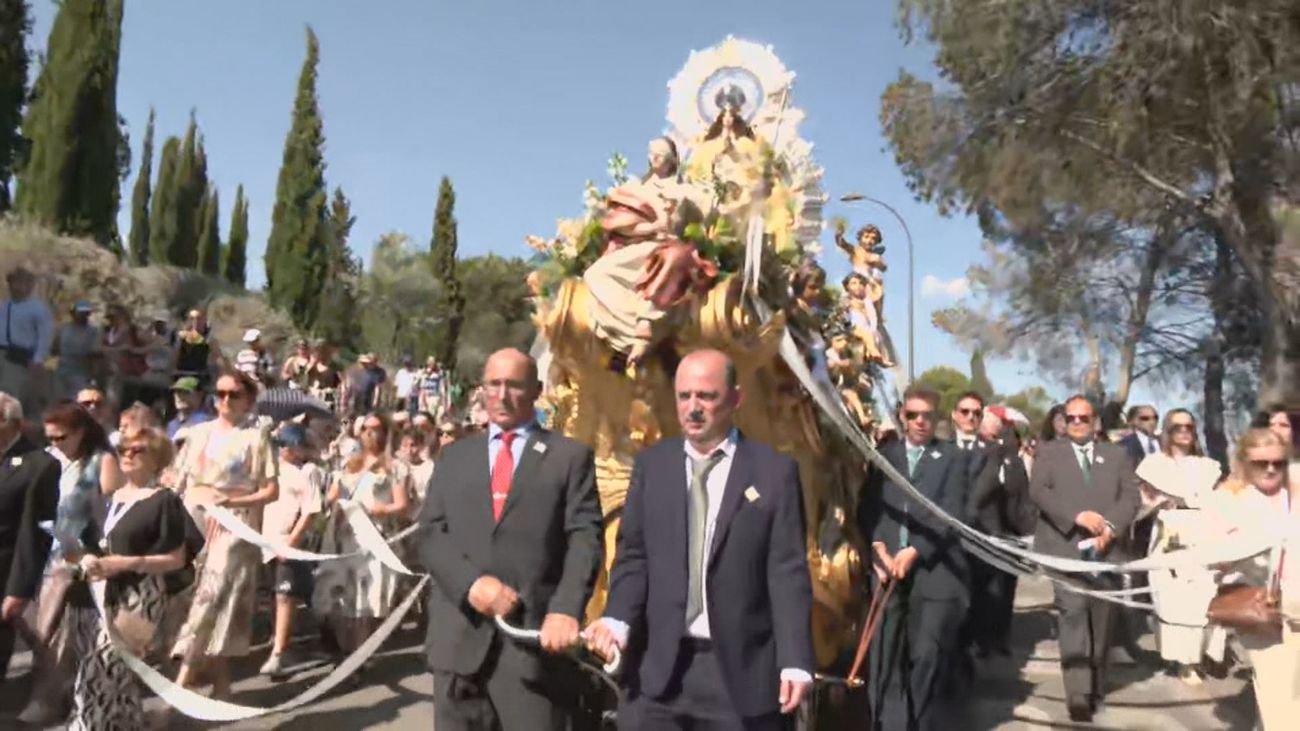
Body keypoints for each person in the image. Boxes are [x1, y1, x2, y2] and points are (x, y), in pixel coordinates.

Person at [587, 349, 815, 730]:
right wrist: (617, 619)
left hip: (740, 676)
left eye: (706, 396)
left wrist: (795, 659)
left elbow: (786, 572)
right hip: (658, 674)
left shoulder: (774, 473)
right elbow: (634, 557)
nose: (693, 408)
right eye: (684, 396)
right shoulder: (652, 466)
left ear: (736, 399)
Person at [418, 347, 603, 730]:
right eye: (494, 384)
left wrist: (565, 609)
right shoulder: (454, 458)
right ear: (482, 390)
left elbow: (584, 539)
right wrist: (471, 585)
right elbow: (432, 535)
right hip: (458, 646)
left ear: (536, 390)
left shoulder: (568, 458)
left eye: (514, 385)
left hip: (532, 647)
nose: (502, 395)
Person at [67, 426, 203, 730]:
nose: (127, 455)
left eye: (137, 450)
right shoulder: (109, 499)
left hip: (141, 597)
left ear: (156, 458)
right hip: (103, 593)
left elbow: (176, 559)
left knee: (97, 670)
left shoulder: (163, 501)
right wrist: (89, 557)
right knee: (118, 676)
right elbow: (91, 542)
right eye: (124, 450)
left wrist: (127, 563)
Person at [857, 386, 970, 731]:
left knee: (926, 655)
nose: (920, 422)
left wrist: (915, 549)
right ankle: (888, 724)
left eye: (927, 416)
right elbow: (868, 508)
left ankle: (920, 723)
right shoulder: (884, 456)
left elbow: (951, 512)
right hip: (886, 570)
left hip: (934, 572)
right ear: (902, 417)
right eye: (912, 415)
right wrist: (878, 549)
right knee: (884, 655)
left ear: (938, 418)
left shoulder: (952, 458)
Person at [1028, 395, 1140, 722]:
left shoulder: (1116, 455)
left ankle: (1097, 687)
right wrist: (1076, 516)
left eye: (1083, 418)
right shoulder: (1049, 453)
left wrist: (1109, 527)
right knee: (1073, 615)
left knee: (1102, 624)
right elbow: (1039, 492)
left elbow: (1130, 497)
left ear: (1096, 423)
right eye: (1071, 417)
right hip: (1064, 550)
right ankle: (1078, 695)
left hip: (1107, 552)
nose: (1077, 423)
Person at [170, 370, 279, 699]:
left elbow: (270, 491)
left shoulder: (256, 438)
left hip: (235, 525)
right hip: (195, 521)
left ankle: (177, 691)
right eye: (220, 393)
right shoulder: (197, 433)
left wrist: (231, 500)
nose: (226, 400)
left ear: (248, 399)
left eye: (234, 394)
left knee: (211, 598)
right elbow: (179, 479)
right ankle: (221, 684)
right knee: (200, 600)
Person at [18, 403, 123, 724]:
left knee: (61, 634)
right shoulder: (47, 460)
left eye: (62, 437)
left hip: (78, 555)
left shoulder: (100, 461)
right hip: (41, 554)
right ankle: (61, 689)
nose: (56, 443)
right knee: (36, 629)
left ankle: (51, 698)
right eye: (50, 437)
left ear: (81, 432)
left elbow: (117, 507)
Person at [1202, 428, 1298, 729]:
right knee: (1281, 700)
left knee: (1288, 698)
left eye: (1277, 463)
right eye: (1261, 463)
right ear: (1244, 463)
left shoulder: (1293, 495)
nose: (1270, 469)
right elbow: (1212, 557)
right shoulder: (1227, 501)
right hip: (1263, 612)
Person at [312, 412, 409, 669]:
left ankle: (358, 655)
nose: (370, 433)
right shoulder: (349, 463)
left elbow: (402, 505)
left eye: (376, 429)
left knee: (366, 600)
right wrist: (333, 500)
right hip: (344, 536)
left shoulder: (395, 467)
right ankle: (348, 651)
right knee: (340, 597)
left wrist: (382, 510)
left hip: (375, 537)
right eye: (365, 428)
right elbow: (332, 495)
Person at [1138, 408, 1224, 685]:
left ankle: (1198, 656)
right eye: (1177, 427)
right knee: (1171, 600)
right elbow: (1141, 504)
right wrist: (1157, 502)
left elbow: (1219, 502)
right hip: (1168, 536)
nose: (1184, 432)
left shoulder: (1208, 466)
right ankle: (1181, 660)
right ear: (1167, 431)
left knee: (1201, 598)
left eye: (1189, 426)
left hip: (1202, 535)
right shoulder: (1153, 465)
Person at [0, 391, 60, 686]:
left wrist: (19, 589)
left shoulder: (39, 465)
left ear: (11, 423)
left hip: (5, 573)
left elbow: (33, 532)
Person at [260, 422, 324, 677]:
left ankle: (278, 653)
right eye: (282, 445)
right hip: (267, 541)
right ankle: (280, 641)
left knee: (285, 596)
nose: (285, 450)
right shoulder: (270, 472)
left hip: (289, 542)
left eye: (290, 445)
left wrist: (293, 540)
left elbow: (311, 509)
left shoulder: (307, 472)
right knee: (276, 596)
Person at [965, 411, 1031, 659]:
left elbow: (1021, 498)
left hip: (1007, 535)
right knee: (982, 592)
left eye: (1007, 433)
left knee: (1003, 592)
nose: (1004, 438)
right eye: (999, 431)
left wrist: (1028, 535)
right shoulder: (971, 453)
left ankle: (998, 638)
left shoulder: (1012, 460)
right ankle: (978, 639)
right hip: (977, 532)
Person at [0, 267, 55, 415]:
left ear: (29, 285)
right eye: (13, 283)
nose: (16, 287)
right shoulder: (4, 307)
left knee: (10, 398)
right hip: (2, 354)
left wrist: (38, 359)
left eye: (20, 283)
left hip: (19, 357)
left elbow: (45, 336)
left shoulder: (38, 309)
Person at [51, 301, 103, 402]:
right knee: (59, 401)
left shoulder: (93, 332)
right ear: (73, 313)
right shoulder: (63, 329)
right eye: (79, 312)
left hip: (81, 373)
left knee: (77, 403)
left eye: (85, 313)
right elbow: (54, 349)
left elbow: (96, 353)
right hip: (62, 370)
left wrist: (94, 373)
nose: (82, 316)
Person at [166, 375, 213, 442]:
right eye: (177, 392)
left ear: (200, 395)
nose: (179, 396)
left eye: (185, 392)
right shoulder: (172, 424)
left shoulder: (206, 422)